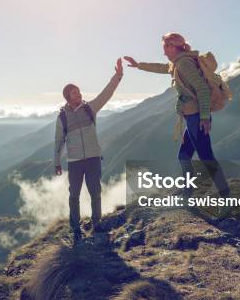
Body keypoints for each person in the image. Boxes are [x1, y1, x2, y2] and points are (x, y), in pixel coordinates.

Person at [124, 33, 231, 216]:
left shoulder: (184, 64)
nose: (163, 51)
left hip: (197, 118)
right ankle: (188, 196)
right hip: (192, 118)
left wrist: (204, 117)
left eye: (165, 47)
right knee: (184, 156)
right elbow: (162, 67)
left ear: (173, 46)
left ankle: (225, 199)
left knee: (206, 157)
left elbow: (202, 89)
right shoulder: (178, 63)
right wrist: (138, 65)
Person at [54, 58, 123, 242]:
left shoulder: (90, 108)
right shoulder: (62, 117)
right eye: (74, 93)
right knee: (74, 195)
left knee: (95, 192)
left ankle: (96, 223)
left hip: (93, 158)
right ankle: (75, 229)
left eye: (78, 91)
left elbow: (106, 94)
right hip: (75, 162)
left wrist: (118, 75)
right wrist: (56, 162)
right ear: (68, 97)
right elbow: (59, 141)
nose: (79, 94)